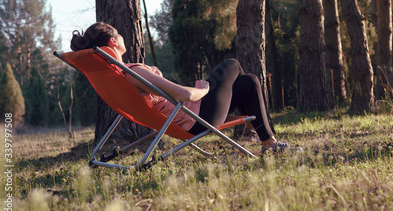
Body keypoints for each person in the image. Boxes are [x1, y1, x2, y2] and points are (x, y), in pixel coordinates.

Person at [71, 22, 299, 153]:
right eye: (118, 34)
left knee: (249, 82)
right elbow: (185, 94)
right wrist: (205, 88)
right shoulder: (134, 72)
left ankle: (267, 141)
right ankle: (256, 134)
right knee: (232, 64)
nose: (121, 36)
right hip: (198, 119)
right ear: (112, 43)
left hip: (188, 120)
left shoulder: (116, 76)